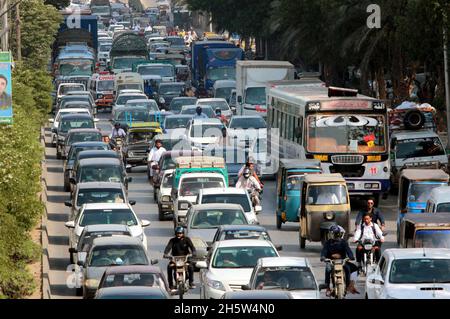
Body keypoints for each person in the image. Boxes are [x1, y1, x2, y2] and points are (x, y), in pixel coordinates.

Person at [320, 225, 359, 296]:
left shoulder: (343, 242)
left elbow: (348, 251)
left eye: (332, 233)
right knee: (328, 269)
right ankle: (328, 287)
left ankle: (347, 286)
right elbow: (324, 252)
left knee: (348, 269)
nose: (331, 235)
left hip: (342, 261)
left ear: (337, 234)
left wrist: (351, 256)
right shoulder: (328, 243)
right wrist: (323, 257)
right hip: (331, 262)